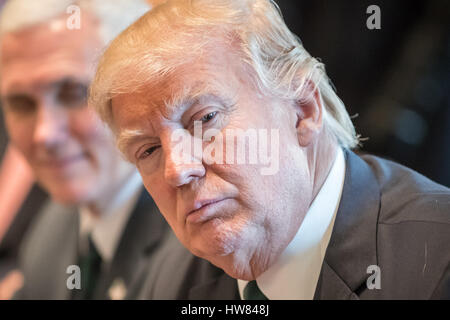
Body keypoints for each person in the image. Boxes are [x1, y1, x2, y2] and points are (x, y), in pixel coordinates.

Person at [89, 0, 450, 299]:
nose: (177, 169)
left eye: (206, 119)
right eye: (149, 150)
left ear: (302, 110)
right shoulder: (166, 282)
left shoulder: (437, 264)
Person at [0, 0, 170, 299]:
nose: (45, 134)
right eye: (22, 104)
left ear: (145, 87)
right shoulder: (48, 235)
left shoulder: (204, 245)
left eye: (75, 93)